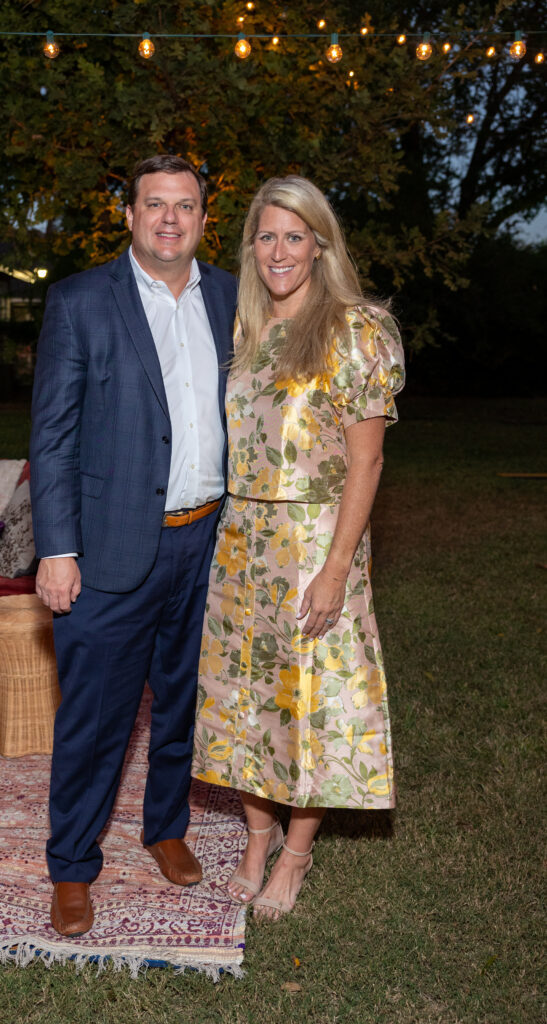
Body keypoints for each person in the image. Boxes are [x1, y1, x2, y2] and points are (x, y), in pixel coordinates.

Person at [30, 155, 237, 937]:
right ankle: (73, 865)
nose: (170, 220)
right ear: (129, 216)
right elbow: (51, 436)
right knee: (94, 719)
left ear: (203, 219)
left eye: (185, 207)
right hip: (109, 550)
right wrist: (56, 548)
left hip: (206, 543)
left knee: (182, 705)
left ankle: (164, 827)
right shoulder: (82, 301)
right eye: (155, 205)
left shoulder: (228, 295)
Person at [192, 176, 405, 920]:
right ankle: (254, 838)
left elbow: (366, 462)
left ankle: (294, 855)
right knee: (241, 700)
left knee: (305, 704)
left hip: (315, 541)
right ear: (251, 247)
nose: (279, 250)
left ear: (319, 243)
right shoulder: (246, 331)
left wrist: (336, 567)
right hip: (240, 540)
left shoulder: (354, 329)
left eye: (294, 235)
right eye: (266, 236)